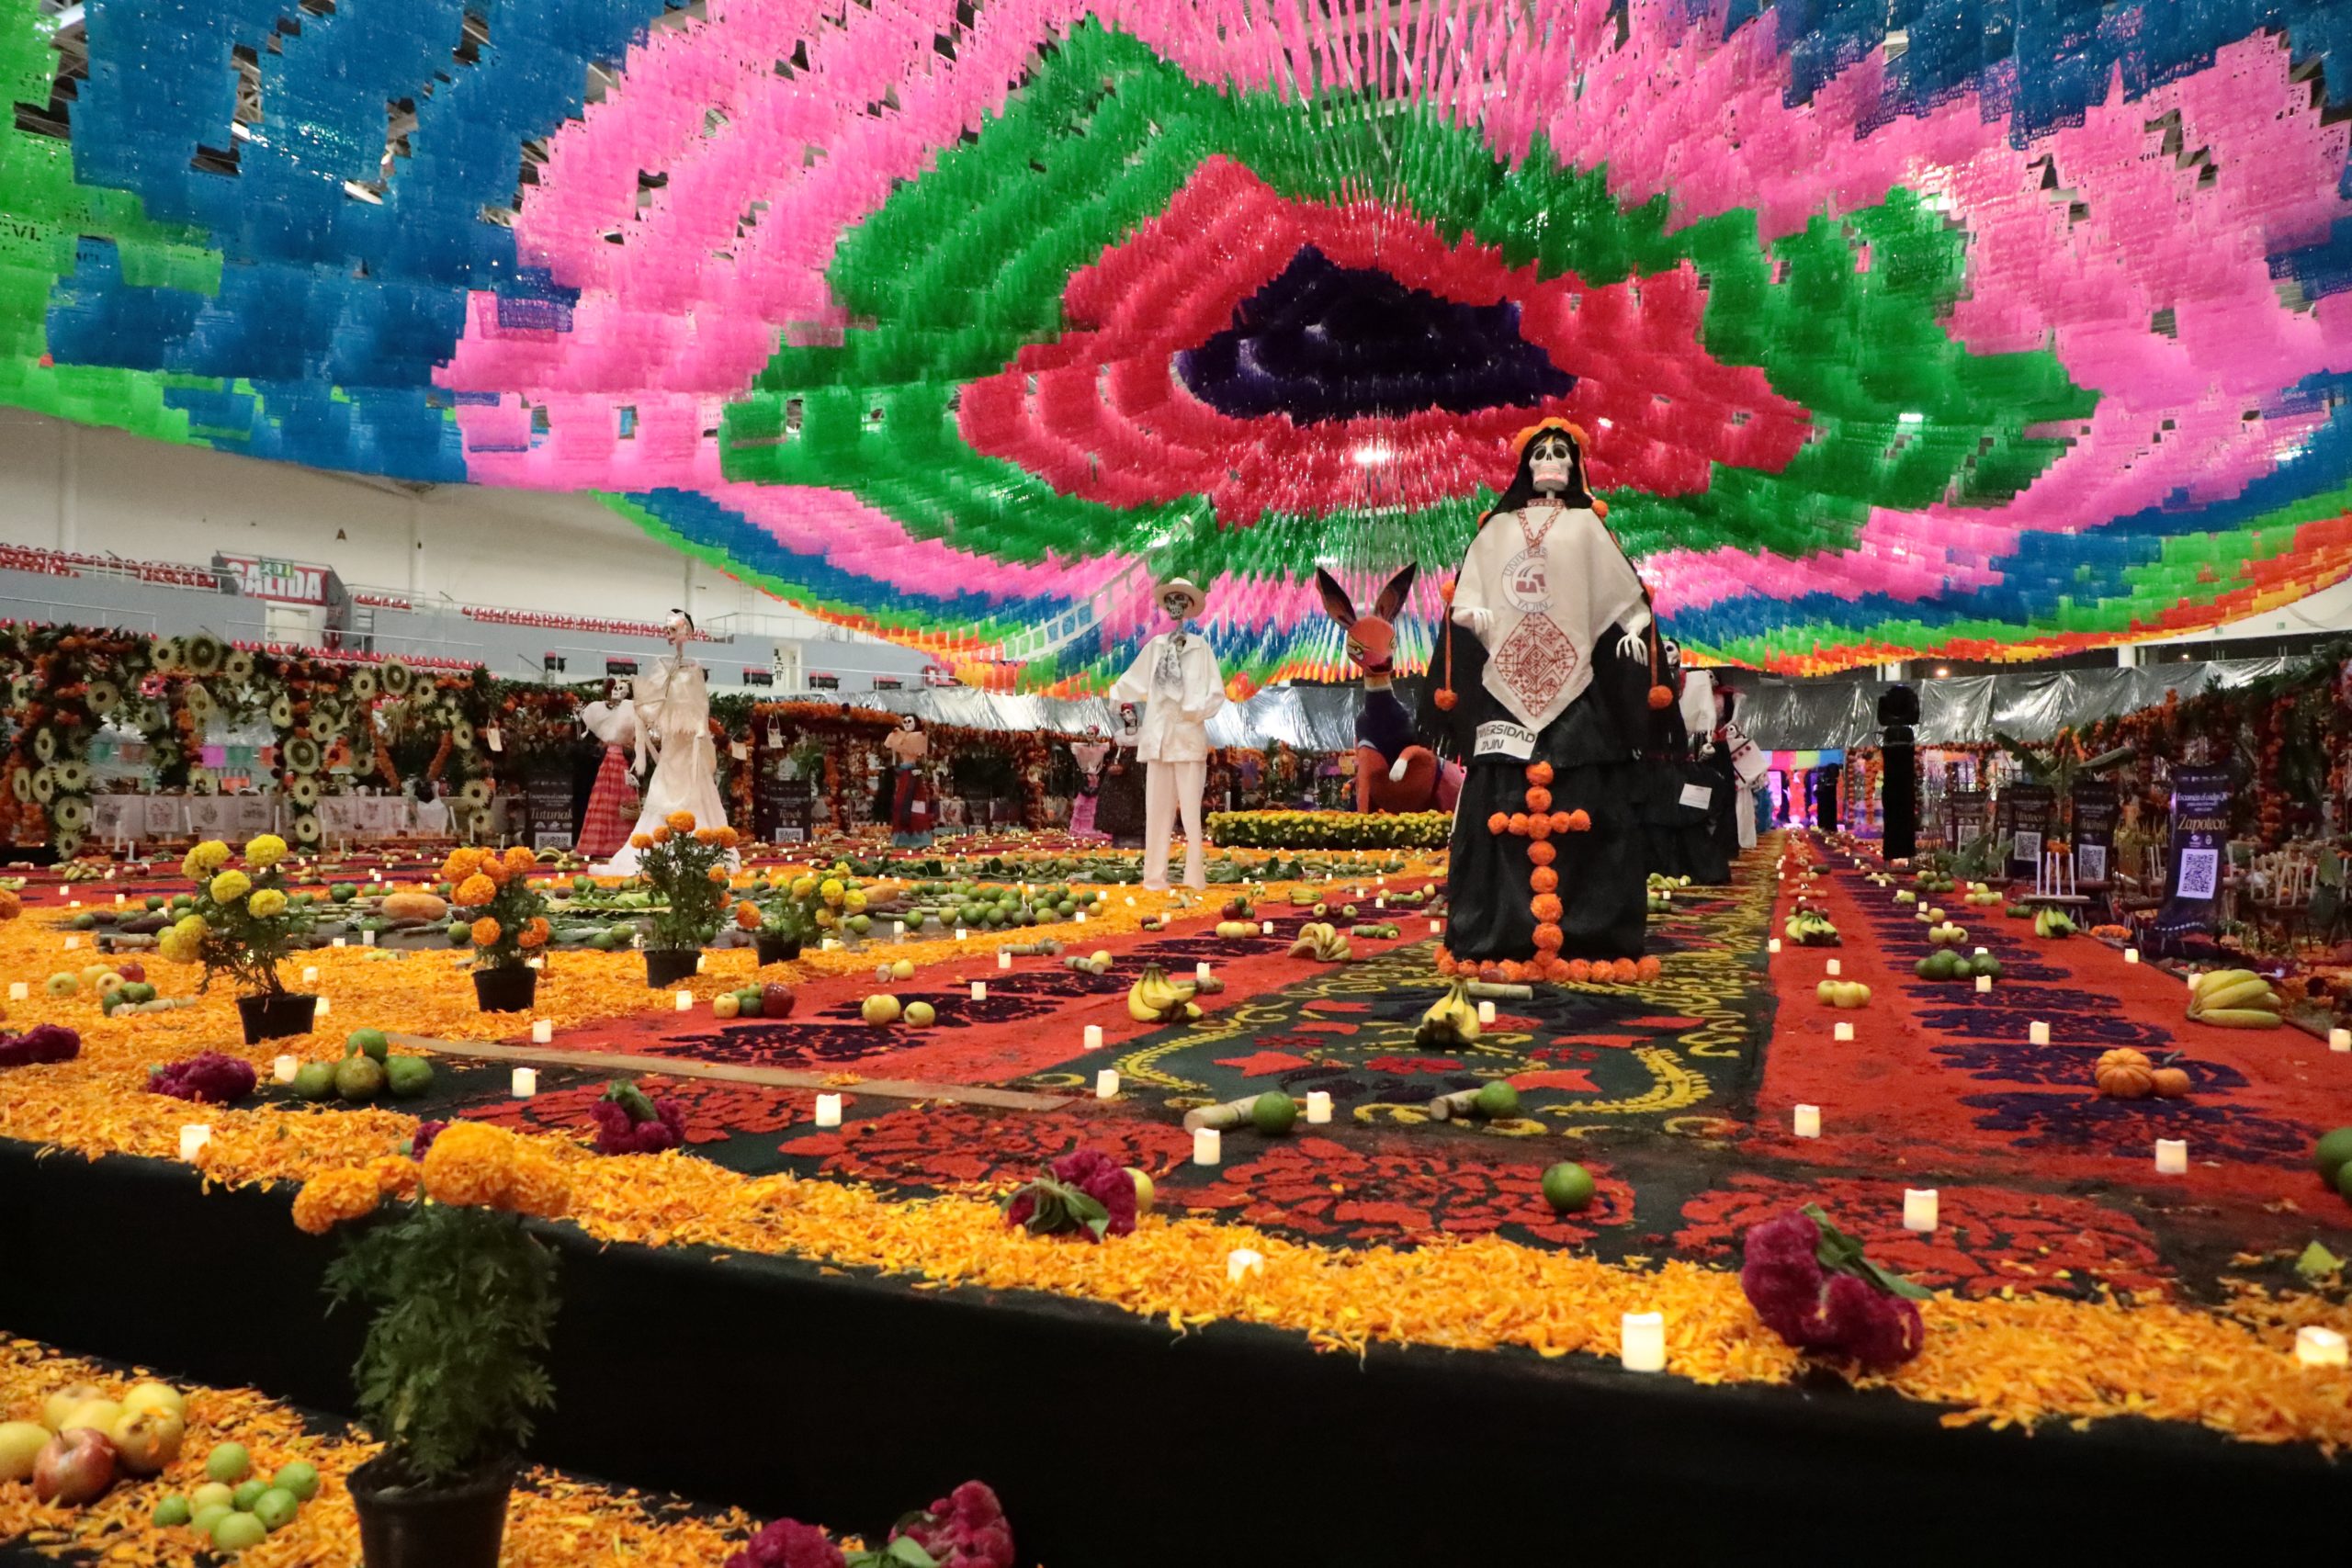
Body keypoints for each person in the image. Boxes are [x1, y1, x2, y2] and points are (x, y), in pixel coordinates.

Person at [1428, 419, 1657, 974]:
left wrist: (1632, 626)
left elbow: (1624, 594)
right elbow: (1468, 595)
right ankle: (1500, 925)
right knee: (1499, 801)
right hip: (1505, 684)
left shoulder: (1586, 525)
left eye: (1560, 452)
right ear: (1525, 463)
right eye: (1540, 452)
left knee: (1587, 791)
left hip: (1575, 688)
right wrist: (1470, 618)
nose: (1550, 460)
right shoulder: (1498, 527)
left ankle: (1588, 927)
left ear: (1575, 464)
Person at [1109, 579, 1226, 890]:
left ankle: (1194, 878)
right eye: (1171, 599)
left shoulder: (1202, 650)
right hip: (1158, 741)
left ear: (1189, 606)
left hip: (1187, 741)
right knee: (1156, 813)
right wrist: (1117, 696)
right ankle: (1154, 878)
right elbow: (1130, 681)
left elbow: (1216, 694)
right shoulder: (1156, 648)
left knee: (1190, 813)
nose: (1176, 605)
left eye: (1181, 600)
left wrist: (1190, 712)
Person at [595, 610, 729, 874]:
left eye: (674, 629)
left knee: (694, 791)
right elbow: (653, 703)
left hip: (689, 745)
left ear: (685, 631)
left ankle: (699, 849)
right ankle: (657, 850)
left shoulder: (693, 669)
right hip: (672, 744)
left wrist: (700, 730)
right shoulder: (663, 668)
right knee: (663, 791)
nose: (669, 635)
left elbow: (700, 706)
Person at [577, 680, 639, 859]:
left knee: (617, 801)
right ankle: (603, 843)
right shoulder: (604, 711)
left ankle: (617, 843)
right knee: (608, 799)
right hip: (612, 761)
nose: (617, 693)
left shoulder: (629, 711)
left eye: (621, 690)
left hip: (618, 762)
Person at [1095, 704, 1147, 848]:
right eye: (1123, 714)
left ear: (1135, 713)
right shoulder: (1120, 734)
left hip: (1140, 764)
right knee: (1118, 798)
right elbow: (1118, 752)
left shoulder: (1144, 732)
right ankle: (1122, 831)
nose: (1126, 716)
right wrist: (1116, 763)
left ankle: (1141, 830)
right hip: (1123, 765)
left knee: (1141, 797)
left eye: (1129, 712)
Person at [884, 715, 934, 848]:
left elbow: (923, 758)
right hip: (904, 774)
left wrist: (920, 770)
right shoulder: (899, 737)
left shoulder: (919, 737)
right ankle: (902, 839)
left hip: (914, 774)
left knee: (916, 805)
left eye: (909, 721)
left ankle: (919, 839)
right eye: (904, 721)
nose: (906, 723)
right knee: (900, 804)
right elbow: (894, 754)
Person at [1069, 725, 1111, 840]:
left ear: (1096, 735)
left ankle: (1093, 828)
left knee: (1094, 805)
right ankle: (1081, 829)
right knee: (1082, 804)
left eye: (1092, 734)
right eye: (1088, 734)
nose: (1089, 736)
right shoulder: (1081, 749)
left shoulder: (1100, 749)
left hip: (1095, 781)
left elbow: (1100, 765)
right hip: (1086, 780)